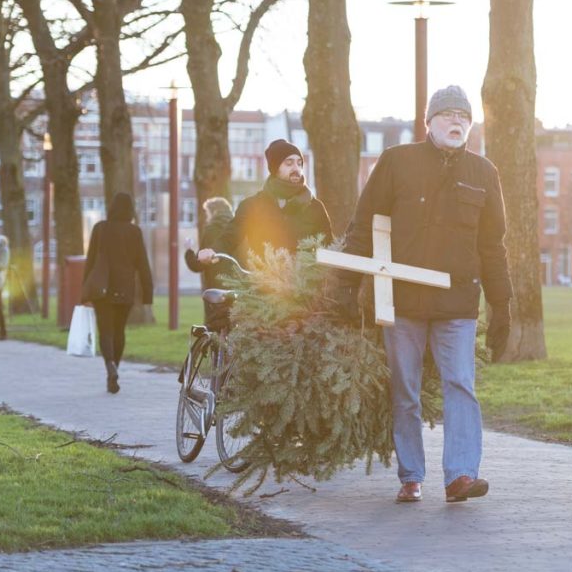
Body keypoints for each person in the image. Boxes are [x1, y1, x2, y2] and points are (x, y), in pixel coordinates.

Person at [334, 85, 512, 504]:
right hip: (404, 302)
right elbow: (363, 223)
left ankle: (461, 476)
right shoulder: (398, 162)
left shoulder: (484, 173)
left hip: (458, 305)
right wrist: (346, 284)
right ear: (428, 122)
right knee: (405, 390)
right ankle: (411, 475)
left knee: (461, 386)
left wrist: (502, 306)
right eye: (447, 114)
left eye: (464, 117)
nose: (456, 122)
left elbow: (494, 246)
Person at [197, 139, 332, 266]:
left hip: (304, 286)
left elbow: (328, 247)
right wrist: (211, 251)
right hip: (262, 284)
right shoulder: (252, 206)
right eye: (289, 163)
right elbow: (230, 237)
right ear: (275, 168)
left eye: (299, 163)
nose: (296, 169)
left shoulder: (315, 207)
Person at [83, 193, 154, 394]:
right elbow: (143, 264)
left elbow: (90, 262)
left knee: (105, 330)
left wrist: (85, 291)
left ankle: (109, 367)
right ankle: (115, 369)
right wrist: (148, 293)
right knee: (119, 330)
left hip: (102, 288)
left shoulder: (100, 228)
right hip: (125, 289)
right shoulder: (134, 232)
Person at [185, 197, 236, 328]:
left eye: (207, 213)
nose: (207, 217)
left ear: (214, 212)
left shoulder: (211, 230)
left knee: (216, 326)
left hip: (216, 288)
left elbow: (198, 265)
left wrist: (189, 250)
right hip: (237, 285)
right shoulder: (237, 230)